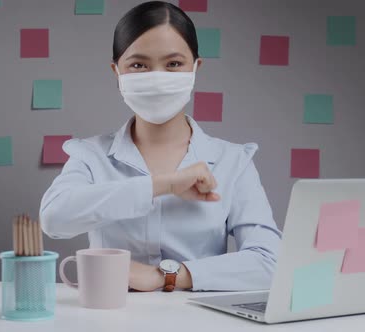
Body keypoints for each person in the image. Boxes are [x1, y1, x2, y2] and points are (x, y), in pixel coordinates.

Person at [39, 1, 281, 292]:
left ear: (195, 68)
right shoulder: (91, 155)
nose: (156, 77)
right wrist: (161, 185)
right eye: (138, 65)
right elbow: (54, 219)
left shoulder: (234, 161)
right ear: (117, 72)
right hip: (108, 316)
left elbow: (270, 263)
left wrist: (167, 275)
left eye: (174, 64)